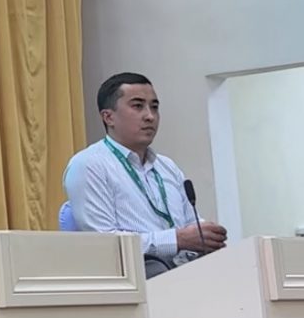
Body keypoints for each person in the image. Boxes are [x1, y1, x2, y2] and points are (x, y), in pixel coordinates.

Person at [63, 71, 227, 278]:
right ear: (108, 117)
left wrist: (205, 233)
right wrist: (176, 240)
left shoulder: (167, 166)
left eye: (154, 107)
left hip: (183, 272)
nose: (150, 116)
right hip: (132, 277)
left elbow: (188, 222)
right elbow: (105, 242)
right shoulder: (89, 165)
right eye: (138, 106)